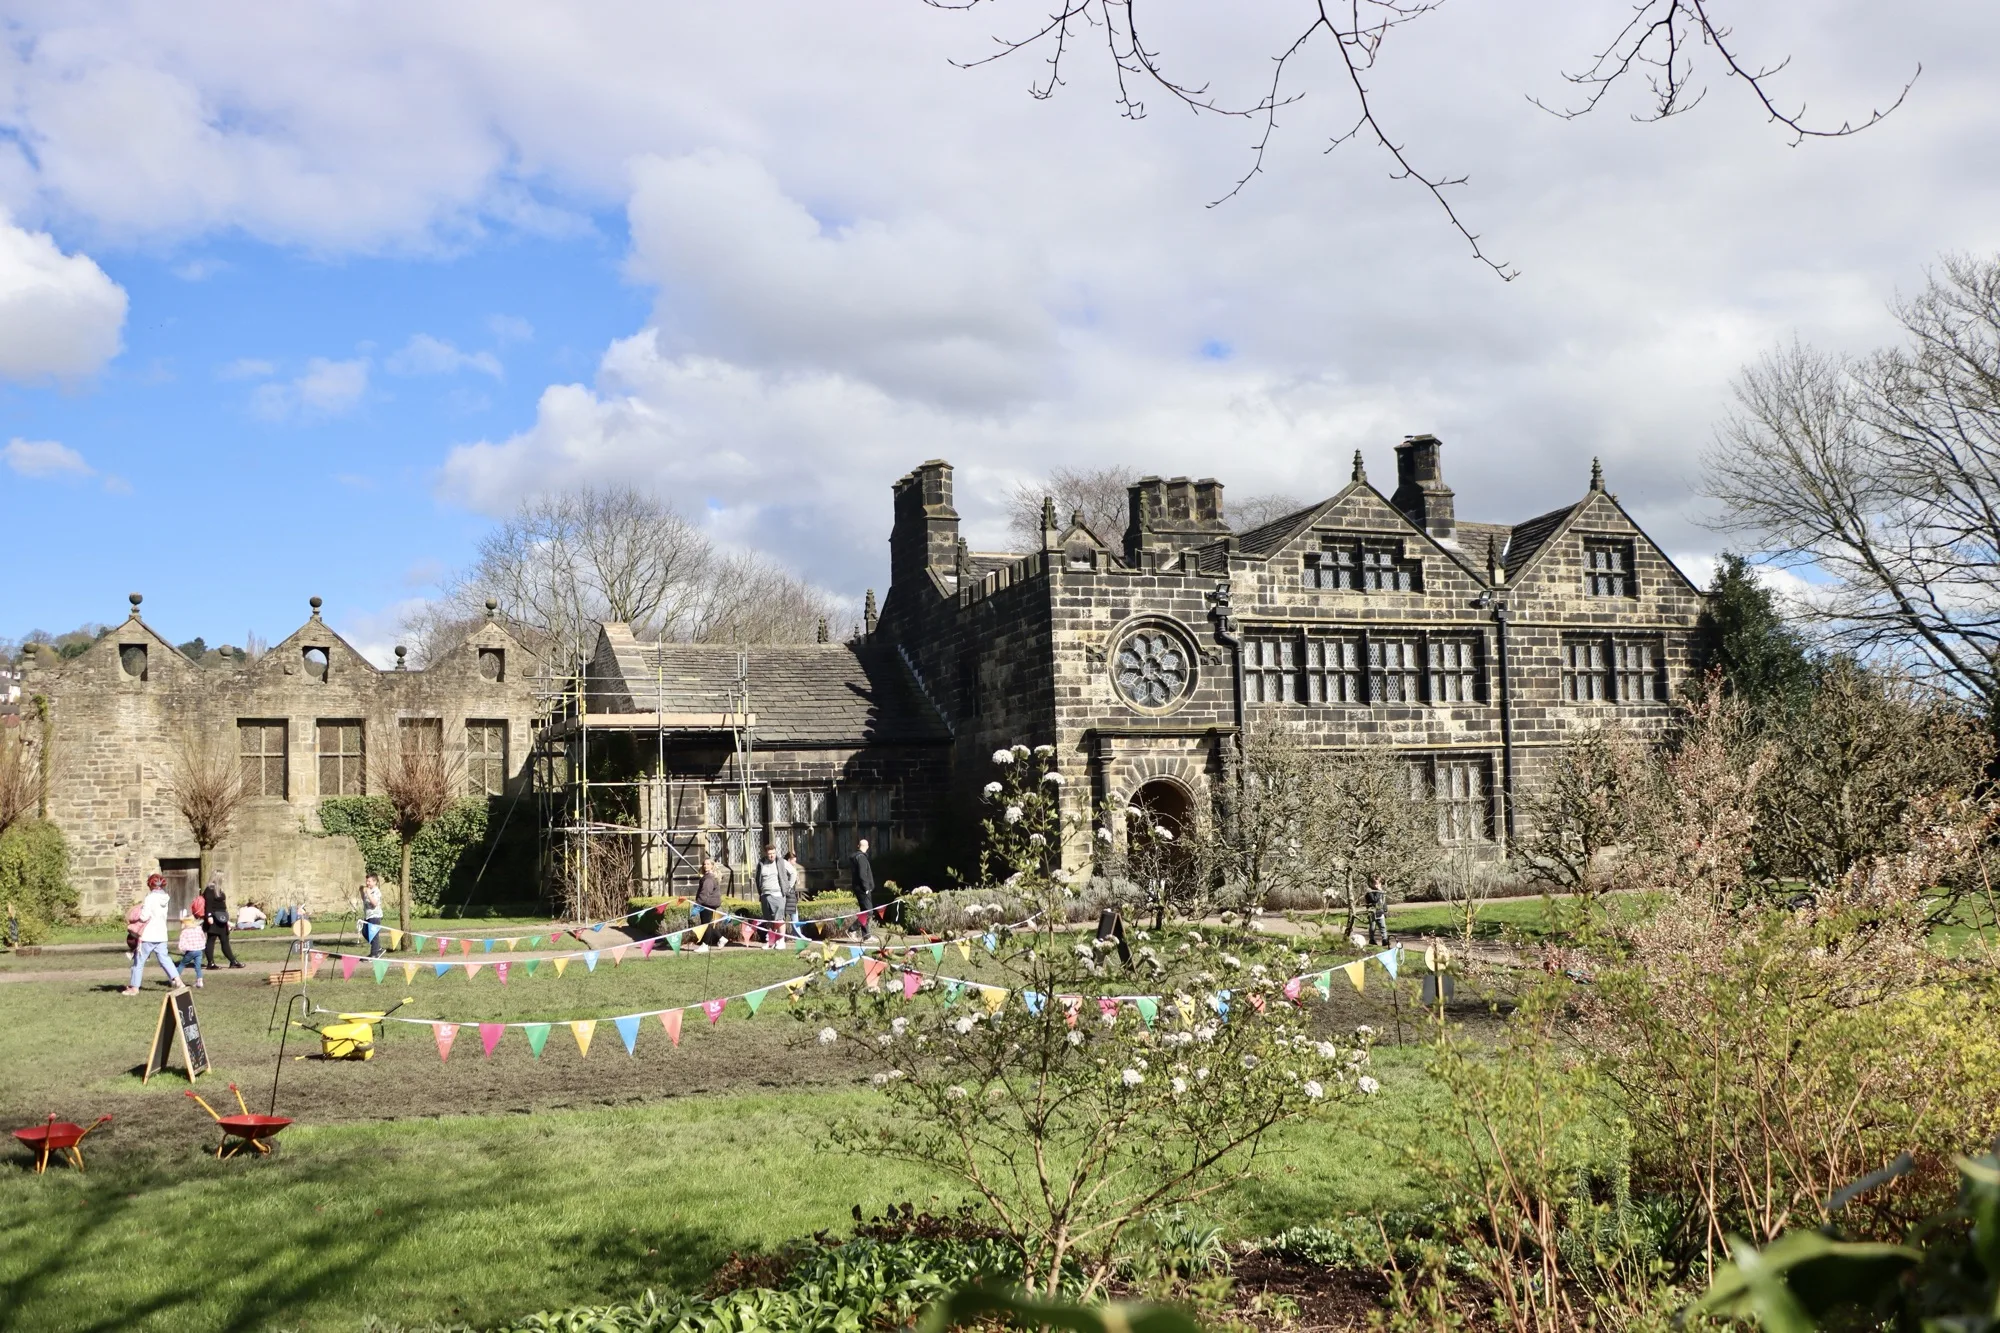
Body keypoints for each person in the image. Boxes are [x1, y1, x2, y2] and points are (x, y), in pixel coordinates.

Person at [122, 874, 181, 995]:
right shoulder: (165, 897)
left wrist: (138, 912)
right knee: (165, 959)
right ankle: (179, 982)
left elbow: (144, 917)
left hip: (149, 934)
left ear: (150, 884)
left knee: (139, 961)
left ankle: (134, 988)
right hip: (161, 934)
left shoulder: (150, 898)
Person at [203, 874, 244, 968]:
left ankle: (233, 961)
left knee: (225, 940)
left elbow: (222, 905)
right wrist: (209, 916)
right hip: (213, 918)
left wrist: (227, 921)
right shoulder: (210, 889)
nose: (224, 879)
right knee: (211, 940)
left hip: (221, 918)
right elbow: (208, 904)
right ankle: (211, 963)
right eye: (222, 877)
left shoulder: (219, 889)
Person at [752, 844, 786, 944]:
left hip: (777, 894)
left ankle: (781, 941)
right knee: (769, 920)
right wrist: (760, 892)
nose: (772, 856)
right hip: (765, 895)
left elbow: (793, 873)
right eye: (769, 854)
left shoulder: (781, 862)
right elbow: (758, 879)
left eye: (773, 853)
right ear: (766, 854)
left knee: (779, 919)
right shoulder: (761, 863)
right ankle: (771, 941)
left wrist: (786, 888)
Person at [847, 838, 876, 937]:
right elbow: (862, 874)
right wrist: (866, 888)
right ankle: (852, 929)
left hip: (858, 888)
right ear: (867, 847)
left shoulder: (856, 857)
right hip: (863, 889)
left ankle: (866, 936)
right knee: (869, 912)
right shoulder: (861, 857)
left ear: (858, 846)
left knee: (865, 912)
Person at [177, 904, 207, 989]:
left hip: (190, 951)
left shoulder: (185, 931)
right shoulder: (198, 928)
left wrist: (181, 948)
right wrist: (202, 945)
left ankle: (175, 978)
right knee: (198, 966)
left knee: (182, 964)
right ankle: (199, 981)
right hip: (199, 950)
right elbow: (203, 937)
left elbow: (182, 941)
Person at [693, 856, 722, 927]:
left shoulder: (709, 878)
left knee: (706, 926)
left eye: (708, 864)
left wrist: (697, 904)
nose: (705, 866)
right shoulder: (711, 876)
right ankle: (720, 938)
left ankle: (720, 937)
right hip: (709, 904)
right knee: (708, 926)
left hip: (706, 905)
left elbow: (704, 893)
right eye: (704, 864)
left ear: (712, 866)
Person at [360, 874, 385, 957]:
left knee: (373, 935)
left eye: (369, 881)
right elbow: (365, 900)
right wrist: (361, 892)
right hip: (368, 916)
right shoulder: (369, 890)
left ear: (375, 882)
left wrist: (369, 893)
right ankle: (378, 948)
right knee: (364, 932)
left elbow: (374, 903)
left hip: (375, 916)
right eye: (366, 881)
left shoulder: (376, 891)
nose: (367, 883)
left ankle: (374, 954)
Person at [781, 848, 804, 930]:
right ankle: (797, 935)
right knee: (792, 916)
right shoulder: (787, 868)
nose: (795, 863)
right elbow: (791, 878)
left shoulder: (787, 867)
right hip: (788, 894)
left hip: (789, 894)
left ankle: (796, 934)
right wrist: (789, 888)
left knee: (790, 915)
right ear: (789, 860)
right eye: (794, 861)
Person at [1365, 876, 1390, 947]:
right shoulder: (1369, 892)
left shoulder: (1381, 892)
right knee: (1372, 927)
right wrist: (1379, 891)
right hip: (1372, 912)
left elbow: (1384, 902)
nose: (1377, 885)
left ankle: (1384, 940)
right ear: (1372, 884)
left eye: (1379, 884)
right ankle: (1372, 939)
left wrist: (1385, 910)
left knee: (1383, 926)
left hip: (1380, 911)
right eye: (1375, 884)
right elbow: (1374, 899)